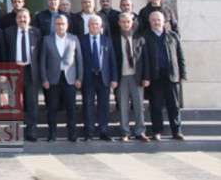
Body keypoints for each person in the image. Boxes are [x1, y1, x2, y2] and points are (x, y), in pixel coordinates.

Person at [143, 11, 186, 141]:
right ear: (150, 22)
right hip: (155, 77)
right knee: (155, 105)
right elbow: (144, 59)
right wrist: (146, 77)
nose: (156, 22)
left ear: (163, 21)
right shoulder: (145, 37)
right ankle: (157, 131)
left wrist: (183, 73)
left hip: (172, 76)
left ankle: (177, 131)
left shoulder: (173, 36)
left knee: (174, 105)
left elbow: (180, 55)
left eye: (158, 20)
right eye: (153, 20)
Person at [40, 15, 82, 142]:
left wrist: (80, 78)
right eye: (58, 24)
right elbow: (42, 61)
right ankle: (52, 134)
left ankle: (72, 134)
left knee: (71, 108)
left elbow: (79, 60)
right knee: (52, 108)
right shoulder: (47, 39)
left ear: (67, 25)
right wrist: (44, 79)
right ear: (54, 25)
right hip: (52, 79)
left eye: (63, 24)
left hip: (70, 78)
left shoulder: (74, 38)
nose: (60, 26)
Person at [113, 12, 150, 142]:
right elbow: (112, 60)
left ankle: (140, 131)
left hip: (137, 77)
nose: (125, 24)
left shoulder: (139, 38)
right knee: (123, 106)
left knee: (139, 105)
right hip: (122, 77)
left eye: (128, 21)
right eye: (123, 22)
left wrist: (146, 77)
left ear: (132, 23)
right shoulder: (114, 39)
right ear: (119, 23)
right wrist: (113, 78)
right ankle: (125, 132)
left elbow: (145, 59)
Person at [79, 15, 118, 141]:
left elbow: (112, 60)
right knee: (88, 105)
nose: (94, 26)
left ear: (101, 26)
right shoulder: (82, 40)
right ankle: (89, 132)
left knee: (104, 106)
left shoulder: (107, 40)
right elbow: (78, 60)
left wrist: (114, 78)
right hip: (88, 77)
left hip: (103, 77)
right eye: (92, 24)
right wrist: (79, 78)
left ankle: (103, 131)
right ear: (88, 26)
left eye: (97, 24)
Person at [4, 8, 41, 141]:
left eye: (25, 17)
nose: (22, 19)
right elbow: (4, 53)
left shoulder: (36, 32)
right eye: (20, 17)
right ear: (16, 19)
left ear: (29, 19)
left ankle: (32, 132)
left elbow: (40, 54)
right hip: (14, 71)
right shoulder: (8, 32)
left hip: (31, 71)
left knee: (32, 103)